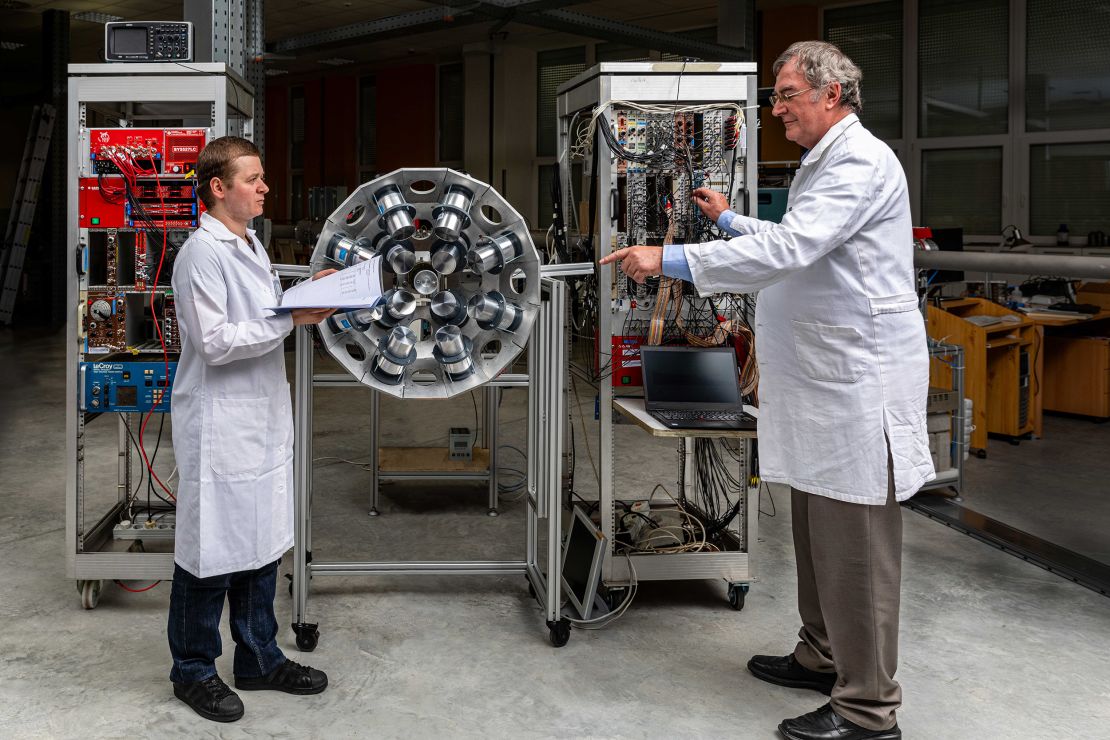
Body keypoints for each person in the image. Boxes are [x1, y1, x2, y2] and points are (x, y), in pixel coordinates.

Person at [600, 41, 933, 740]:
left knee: (857, 552)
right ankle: (822, 656)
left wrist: (673, 256)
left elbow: (790, 252)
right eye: (775, 96)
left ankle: (870, 711)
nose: (774, 109)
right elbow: (796, 238)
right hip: (821, 385)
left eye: (785, 95)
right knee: (817, 538)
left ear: (830, 94)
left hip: (856, 385)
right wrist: (725, 222)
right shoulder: (829, 160)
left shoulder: (861, 161)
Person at [168, 136, 336, 722]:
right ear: (219, 187)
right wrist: (294, 317)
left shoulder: (250, 245)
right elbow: (215, 343)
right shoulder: (201, 255)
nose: (265, 187)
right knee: (209, 550)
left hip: (260, 418)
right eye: (253, 179)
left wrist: (312, 293)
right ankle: (191, 670)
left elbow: (262, 314)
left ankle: (259, 657)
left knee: (262, 541)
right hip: (219, 420)